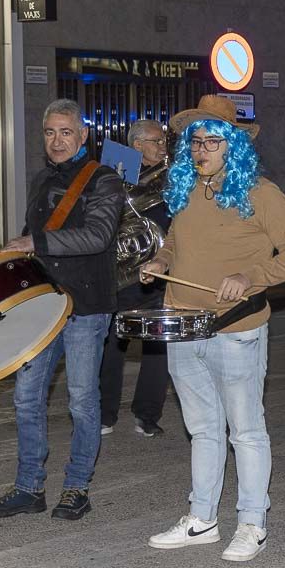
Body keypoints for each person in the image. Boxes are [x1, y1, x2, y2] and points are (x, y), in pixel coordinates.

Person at [141, 95, 285, 561]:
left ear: (233, 146)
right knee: (202, 430)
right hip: (183, 323)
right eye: (195, 141)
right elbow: (176, 242)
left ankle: (253, 522)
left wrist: (251, 278)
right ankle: (202, 519)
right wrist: (160, 260)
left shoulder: (262, 193)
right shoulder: (186, 189)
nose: (200, 150)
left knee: (246, 431)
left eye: (212, 142)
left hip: (236, 328)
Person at [0, 99, 125, 520]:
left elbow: (97, 235)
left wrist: (34, 243)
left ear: (83, 136)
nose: (57, 141)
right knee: (26, 399)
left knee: (81, 401)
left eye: (66, 132)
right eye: (49, 133)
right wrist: (16, 249)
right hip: (43, 305)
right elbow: (36, 232)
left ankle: (77, 487)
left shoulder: (104, 180)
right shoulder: (42, 178)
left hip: (87, 305)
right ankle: (29, 488)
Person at [99, 119, 172, 438]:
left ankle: (147, 414)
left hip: (159, 273)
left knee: (158, 346)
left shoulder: (171, 178)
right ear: (138, 145)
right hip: (123, 272)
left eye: (163, 141)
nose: (162, 147)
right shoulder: (115, 175)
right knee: (113, 344)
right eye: (156, 142)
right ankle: (104, 413)